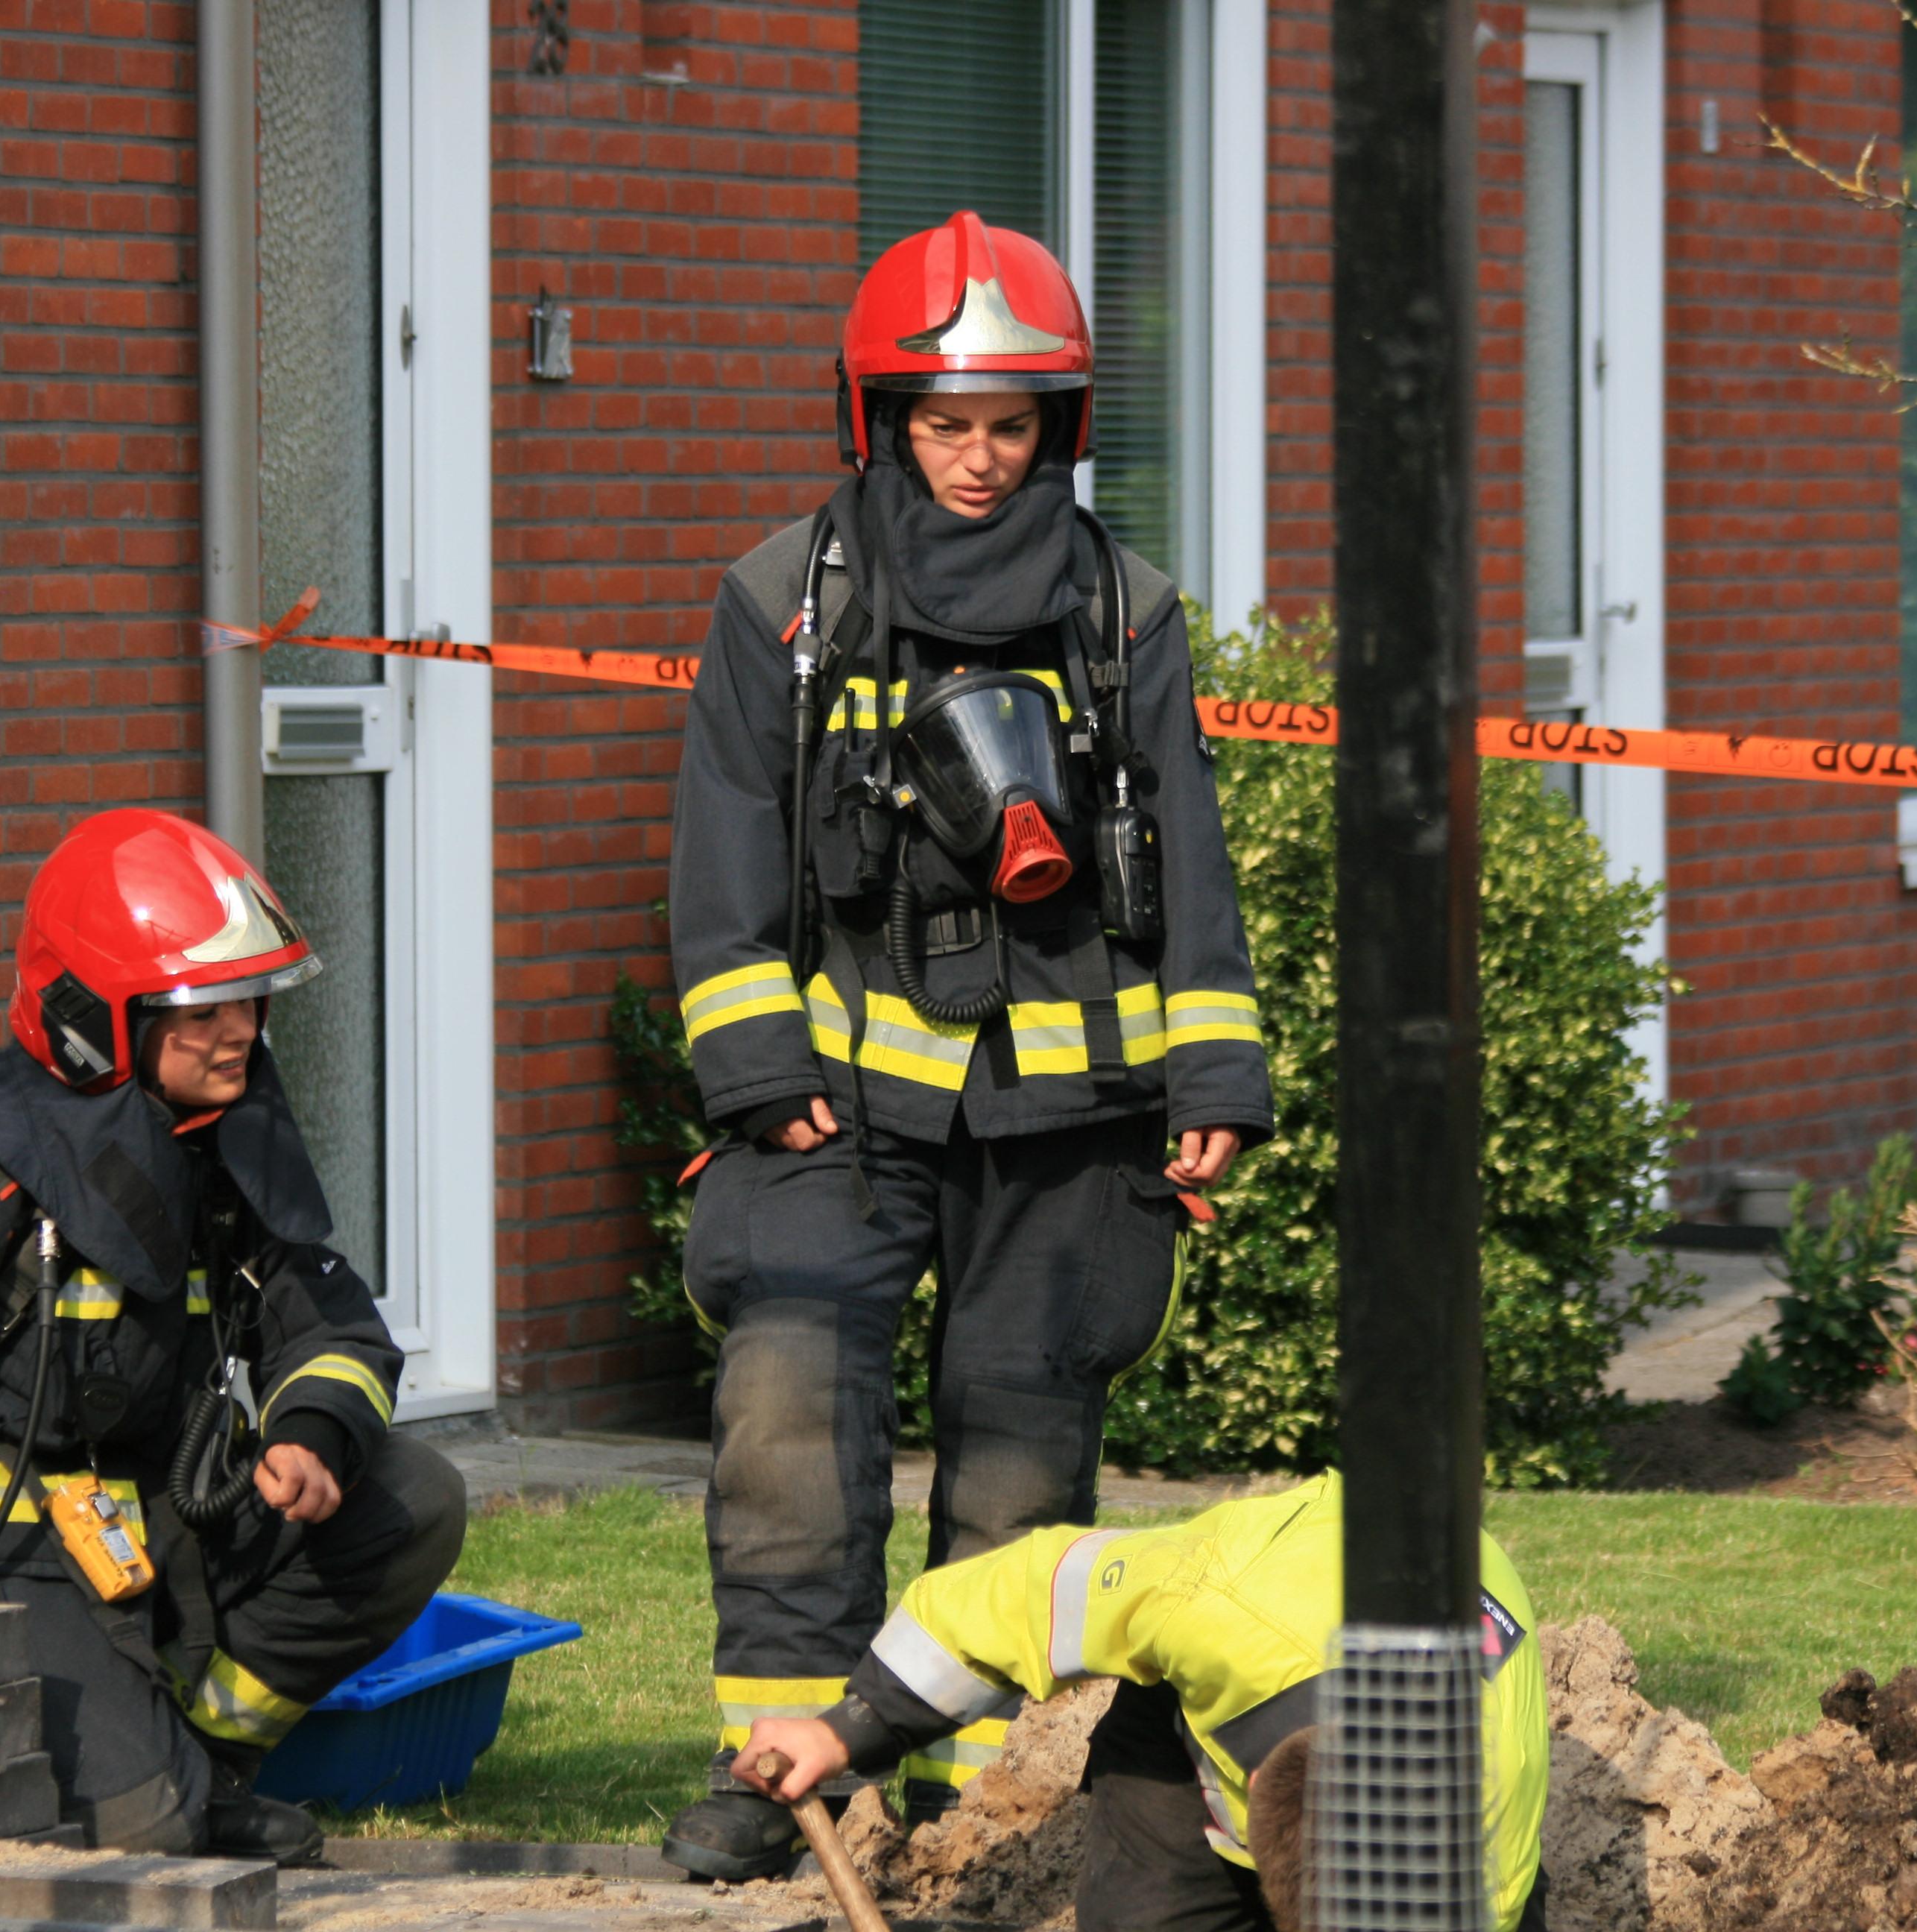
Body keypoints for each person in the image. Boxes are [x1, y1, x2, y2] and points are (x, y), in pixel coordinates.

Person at [662, 210, 1276, 1879]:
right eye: (945, 424)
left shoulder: (1125, 612)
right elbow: (724, 853)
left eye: (1013, 425)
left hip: (1065, 1109)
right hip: (835, 1108)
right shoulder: (782, 605)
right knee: (786, 1418)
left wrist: (1214, 1075)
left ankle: (984, 1800)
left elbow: (1189, 858)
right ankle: (778, 1776)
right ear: (877, 418)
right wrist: (757, 1072)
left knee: (1022, 1451)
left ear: (1059, 427)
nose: (981, 458)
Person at [0, 809, 464, 1864]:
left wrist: (310, 1428)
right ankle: (170, 1792)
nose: (241, 1031)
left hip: (146, 1517)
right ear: (96, 1018)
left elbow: (333, 1322)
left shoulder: (219, 1140)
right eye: (203, 1008)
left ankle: (208, 1764)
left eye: (247, 1001)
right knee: (147, 1835)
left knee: (410, 1498)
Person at [729, 1474, 1551, 1932]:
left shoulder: (1491, 1865)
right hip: (1274, 1601)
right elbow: (1024, 1596)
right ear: (1257, 1795)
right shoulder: (1206, 1601)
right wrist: (851, 1729)